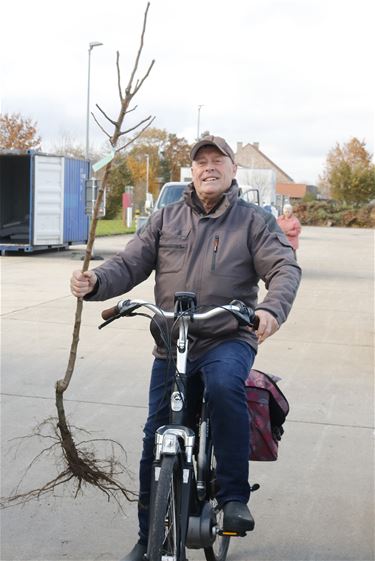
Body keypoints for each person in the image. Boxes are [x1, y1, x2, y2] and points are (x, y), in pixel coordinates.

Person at [70, 135, 301, 561]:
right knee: (153, 438)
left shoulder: (254, 222)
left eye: (218, 161)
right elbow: (130, 262)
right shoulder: (166, 218)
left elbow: (284, 267)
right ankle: (148, 538)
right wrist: (98, 282)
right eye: (201, 162)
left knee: (225, 388)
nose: (208, 167)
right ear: (191, 172)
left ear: (233, 170)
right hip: (171, 341)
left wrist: (270, 310)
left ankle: (233, 498)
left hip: (226, 336)